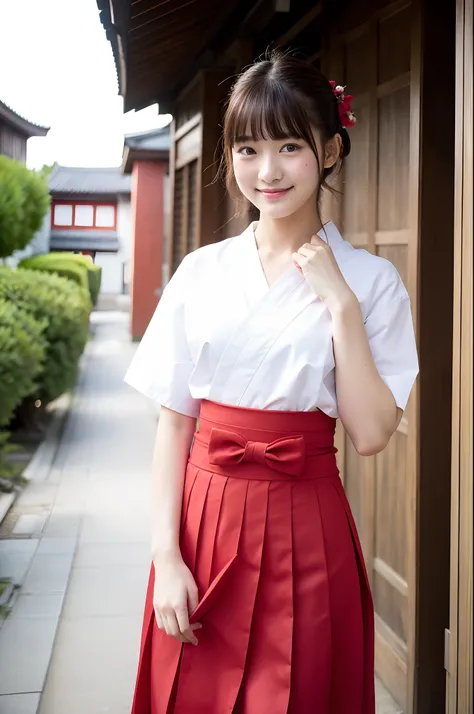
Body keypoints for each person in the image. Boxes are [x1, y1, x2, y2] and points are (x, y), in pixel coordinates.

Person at [124, 50, 419, 714]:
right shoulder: (202, 272)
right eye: (250, 148)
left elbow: (371, 433)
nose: (269, 170)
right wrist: (165, 557)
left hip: (306, 527)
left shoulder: (371, 285)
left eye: (290, 145)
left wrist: (339, 304)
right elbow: (175, 422)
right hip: (203, 524)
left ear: (331, 149)